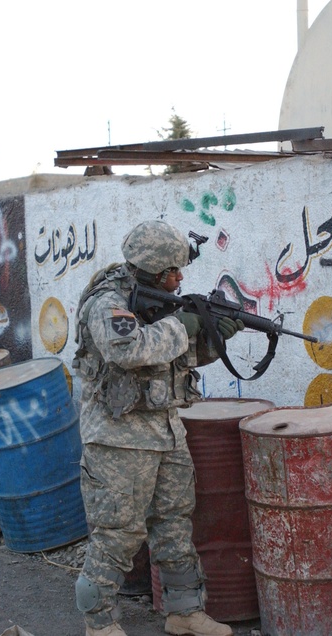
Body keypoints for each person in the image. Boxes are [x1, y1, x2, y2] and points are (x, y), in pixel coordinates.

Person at [71, 220, 243, 636]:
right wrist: (182, 325)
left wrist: (214, 338)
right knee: (118, 531)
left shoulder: (153, 301)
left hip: (164, 429)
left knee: (173, 521)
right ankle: (99, 622)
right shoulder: (108, 301)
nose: (180, 279)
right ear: (151, 271)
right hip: (118, 439)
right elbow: (127, 350)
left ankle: (184, 611)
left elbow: (172, 361)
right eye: (173, 272)